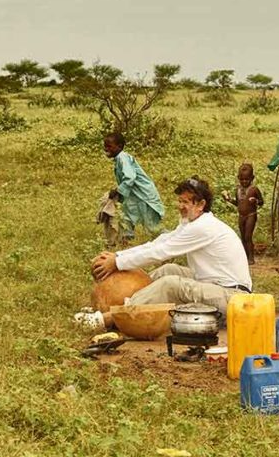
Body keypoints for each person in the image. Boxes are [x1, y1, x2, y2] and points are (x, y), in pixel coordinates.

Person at [82, 177, 253, 329]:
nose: (180, 206)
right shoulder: (191, 223)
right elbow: (159, 243)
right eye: (180, 201)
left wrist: (117, 263)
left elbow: (161, 252)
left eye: (186, 202)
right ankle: (122, 302)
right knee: (168, 270)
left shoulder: (204, 227)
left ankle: (113, 316)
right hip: (212, 284)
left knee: (170, 284)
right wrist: (118, 256)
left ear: (201, 205)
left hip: (233, 299)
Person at [103, 132, 165, 242]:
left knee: (153, 228)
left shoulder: (123, 158)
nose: (106, 149)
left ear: (120, 146)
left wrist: (118, 190)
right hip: (134, 197)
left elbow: (130, 177)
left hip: (144, 196)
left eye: (109, 146)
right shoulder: (119, 159)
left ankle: (173, 241)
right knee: (126, 220)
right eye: (105, 146)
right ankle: (125, 243)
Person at [222, 163, 264, 264]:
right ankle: (244, 256)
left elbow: (261, 202)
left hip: (251, 215)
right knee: (242, 236)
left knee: (248, 236)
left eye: (247, 179)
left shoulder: (254, 190)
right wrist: (228, 199)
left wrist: (255, 201)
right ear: (238, 178)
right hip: (241, 216)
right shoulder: (238, 189)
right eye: (242, 179)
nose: (244, 182)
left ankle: (251, 258)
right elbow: (238, 203)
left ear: (252, 178)